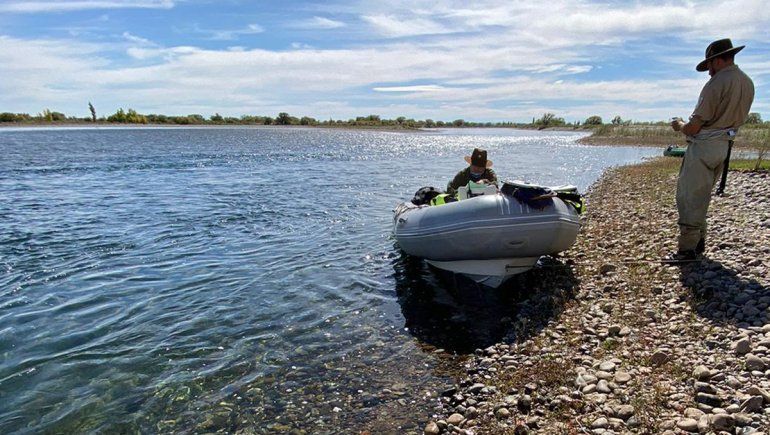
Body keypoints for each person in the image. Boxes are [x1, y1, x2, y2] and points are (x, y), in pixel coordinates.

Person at [665, 38, 754, 263]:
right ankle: (698, 244)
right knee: (701, 195)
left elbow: (694, 127)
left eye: (709, 66)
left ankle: (687, 251)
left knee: (689, 197)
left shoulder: (717, 83)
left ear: (716, 60)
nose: (708, 73)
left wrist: (679, 126)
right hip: (725, 146)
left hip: (705, 146)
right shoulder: (747, 82)